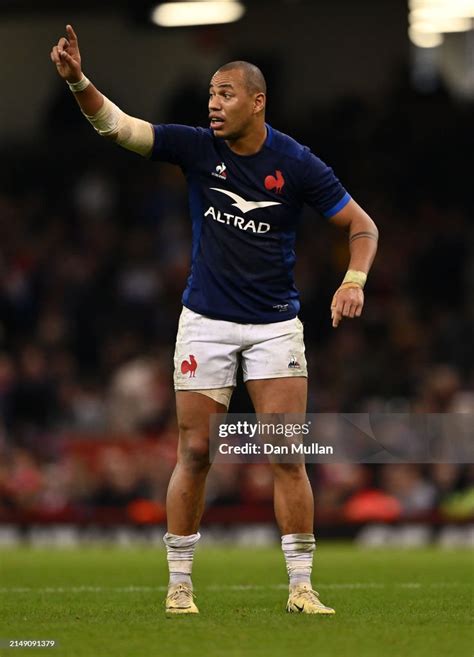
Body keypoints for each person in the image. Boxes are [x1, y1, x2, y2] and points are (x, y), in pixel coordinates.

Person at [51, 24, 379, 615]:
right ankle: (179, 585)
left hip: (276, 324)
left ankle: (301, 587)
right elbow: (119, 128)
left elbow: (362, 226)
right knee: (196, 452)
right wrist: (78, 83)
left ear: (258, 101)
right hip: (205, 322)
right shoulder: (198, 147)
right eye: (210, 95)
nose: (213, 104)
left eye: (225, 94)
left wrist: (353, 280)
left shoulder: (297, 163)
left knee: (286, 453)